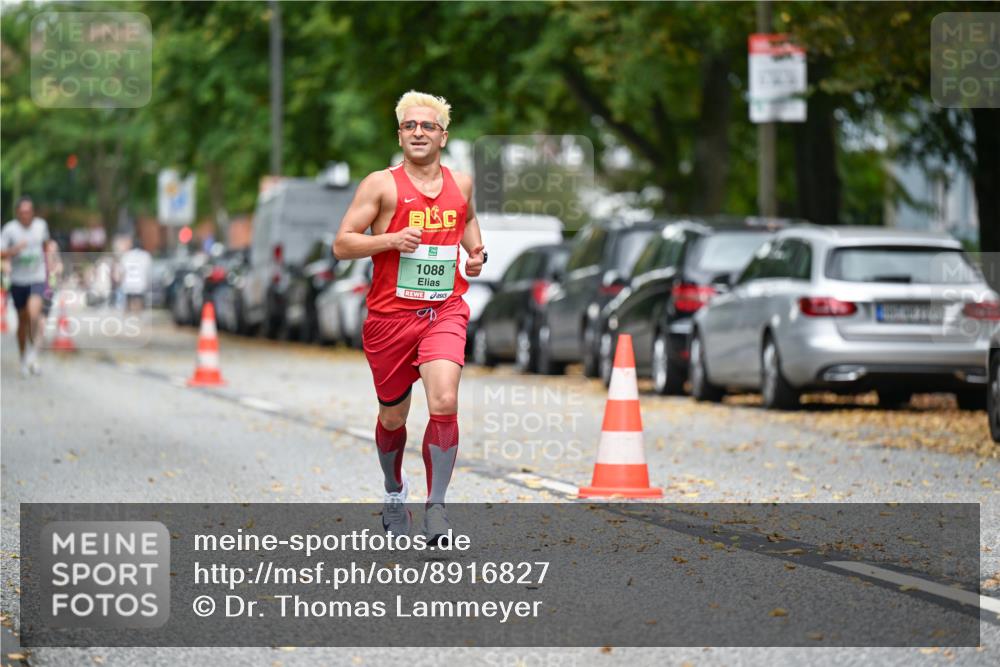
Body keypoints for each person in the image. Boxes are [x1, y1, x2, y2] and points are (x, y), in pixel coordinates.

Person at [334, 91, 486, 542]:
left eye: (428, 126)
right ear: (400, 135)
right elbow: (342, 244)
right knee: (394, 418)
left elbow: (468, 220)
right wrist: (390, 240)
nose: (418, 133)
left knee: (444, 401)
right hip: (389, 320)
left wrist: (475, 253)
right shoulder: (380, 184)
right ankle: (393, 490)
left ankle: (436, 507)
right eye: (409, 126)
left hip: (444, 310)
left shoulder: (463, 183)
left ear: (443, 135)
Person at [1, 196, 53, 376]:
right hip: (18, 281)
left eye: (28, 212)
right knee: (22, 321)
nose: (25, 215)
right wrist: (14, 250)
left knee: (33, 313)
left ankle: (34, 354)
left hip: (37, 278)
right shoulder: (9, 229)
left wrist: (50, 266)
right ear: (17, 213)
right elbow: (1, 252)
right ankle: (23, 357)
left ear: (33, 212)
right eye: (22, 212)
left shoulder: (41, 226)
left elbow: (47, 246)